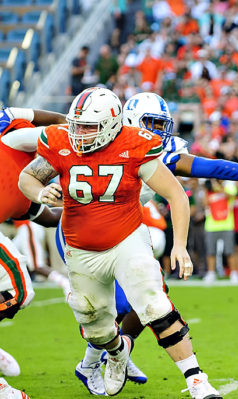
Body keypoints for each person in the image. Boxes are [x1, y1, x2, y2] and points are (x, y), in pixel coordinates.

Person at [17, 87, 222, 399]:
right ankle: (117, 352)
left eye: (89, 127)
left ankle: (196, 380)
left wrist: (179, 245)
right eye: (77, 125)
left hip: (127, 239)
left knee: (154, 303)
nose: (80, 133)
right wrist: (40, 194)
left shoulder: (134, 144)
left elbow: (176, 195)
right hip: (80, 247)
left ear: (113, 125)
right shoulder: (61, 141)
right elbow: (27, 179)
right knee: (95, 324)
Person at [0, 107, 65, 397]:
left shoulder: (22, 180)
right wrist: (79, 123)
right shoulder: (13, 139)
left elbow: (48, 216)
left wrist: (92, 208)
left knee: (18, 293)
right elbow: (50, 133)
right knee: (20, 290)